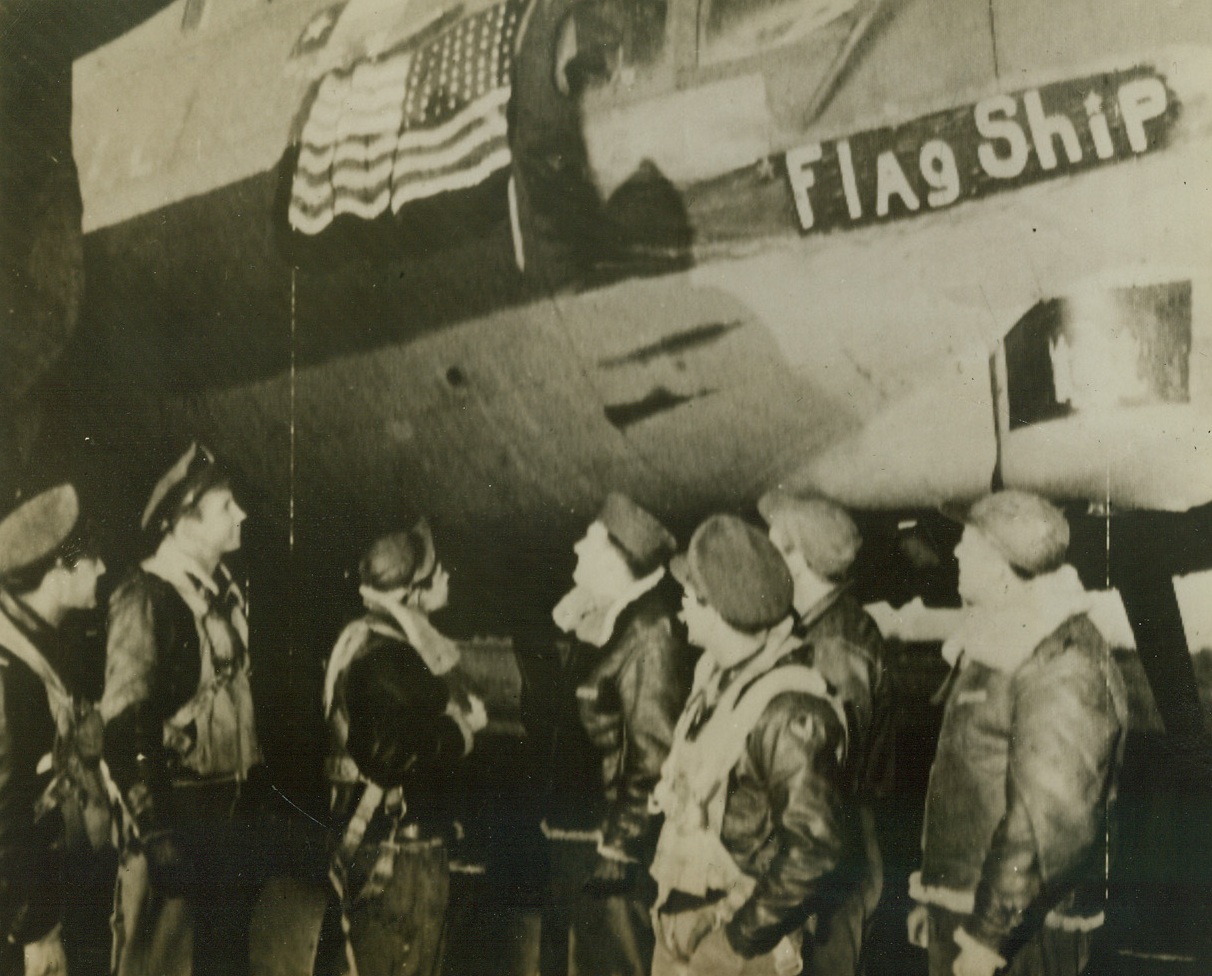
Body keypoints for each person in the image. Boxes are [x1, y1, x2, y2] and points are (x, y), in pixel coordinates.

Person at [908, 491, 1128, 976]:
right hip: (976, 912)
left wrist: (987, 938)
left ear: (1003, 559)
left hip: (1020, 931)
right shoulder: (999, 642)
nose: (957, 553)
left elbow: (1045, 819)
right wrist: (939, 898)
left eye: (969, 543)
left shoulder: (1060, 659)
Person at [649, 513, 852, 976]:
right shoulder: (716, 684)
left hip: (736, 941)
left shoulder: (787, 710)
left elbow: (817, 848)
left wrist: (737, 941)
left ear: (718, 607)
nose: (680, 610)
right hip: (688, 921)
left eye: (688, 598)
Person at [101, 443, 263, 976]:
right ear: (185, 522)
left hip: (223, 825)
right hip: (178, 826)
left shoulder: (218, 593)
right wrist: (157, 832)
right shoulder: (146, 596)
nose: (240, 515)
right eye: (225, 507)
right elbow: (124, 725)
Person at [323, 520, 487, 976]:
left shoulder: (367, 638)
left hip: (379, 843)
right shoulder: (388, 654)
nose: (448, 578)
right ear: (412, 592)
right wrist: (462, 730)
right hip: (398, 857)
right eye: (439, 573)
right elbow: (391, 755)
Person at [547, 492, 693, 976]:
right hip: (583, 836)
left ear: (615, 560)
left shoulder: (651, 631)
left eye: (588, 543)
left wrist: (620, 846)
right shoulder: (613, 621)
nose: (574, 550)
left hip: (610, 849)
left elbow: (655, 754)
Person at [757, 492, 891, 974]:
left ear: (801, 558)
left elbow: (832, 771)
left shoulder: (835, 643)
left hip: (833, 858)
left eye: (775, 549)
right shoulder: (815, 628)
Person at [0, 485, 108, 976]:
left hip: (58, 886)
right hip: (25, 921)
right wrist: (37, 932)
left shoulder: (46, 640)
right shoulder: (10, 672)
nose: (103, 569)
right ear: (57, 574)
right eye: (91, 559)